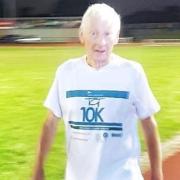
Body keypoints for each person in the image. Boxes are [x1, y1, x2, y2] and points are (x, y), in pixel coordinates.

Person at [32, 3, 163, 180]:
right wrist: (38, 166)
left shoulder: (132, 72)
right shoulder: (66, 72)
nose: (101, 42)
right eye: (93, 33)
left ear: (116, 37)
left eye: (107, 34)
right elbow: (50, 123)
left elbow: (149, 125)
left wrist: (157, 174)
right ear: (81, 35)